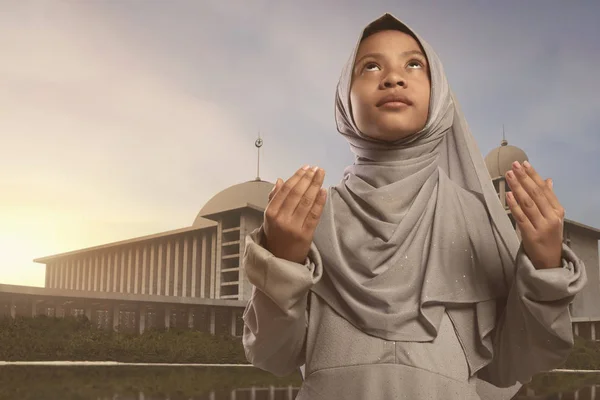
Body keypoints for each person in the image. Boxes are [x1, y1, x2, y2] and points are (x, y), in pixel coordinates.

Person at [241, 13, 587, 400]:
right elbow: (273, 355)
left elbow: (511, 366)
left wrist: (545, 264)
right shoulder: (310, 217)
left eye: (413, 64)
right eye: (370, 66)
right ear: (343, 98)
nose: (392, 77)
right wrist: (284, 262)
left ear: (438, 94)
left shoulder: (475, 220)